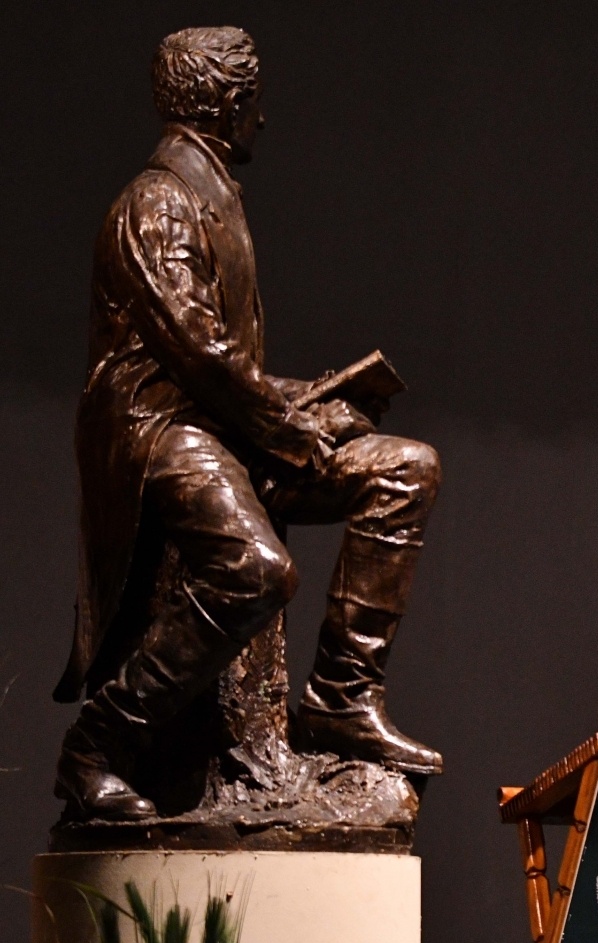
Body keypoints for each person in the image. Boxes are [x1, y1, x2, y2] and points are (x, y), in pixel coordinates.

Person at [52, 26, 443, 821]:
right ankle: (96, 745)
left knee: (406, 468)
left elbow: (222, 361)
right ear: (225, 104)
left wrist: (314, 402)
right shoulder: (158, 203)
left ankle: (340, 697)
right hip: (161, 433)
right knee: (256, 569)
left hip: (222, 423)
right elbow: (197, 356)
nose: (260, 118)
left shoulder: (211, 196)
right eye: (252, 102)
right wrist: (290, 426)